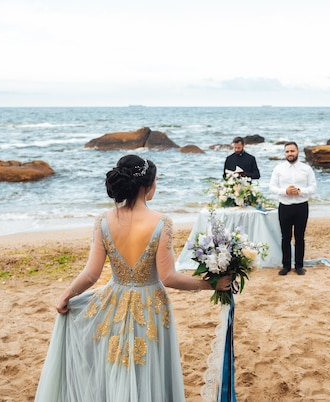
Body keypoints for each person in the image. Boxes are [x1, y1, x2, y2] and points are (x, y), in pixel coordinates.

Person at [35, 154, 231, 402]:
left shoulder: (103, 221)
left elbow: (91, 274)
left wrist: (66, 295)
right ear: (146, 186)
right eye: (156, 181)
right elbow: (169, 277)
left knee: (118, 367)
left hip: (113, 302)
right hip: (152, 306)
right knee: (148, 369)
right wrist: (208, 284)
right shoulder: (162, 223)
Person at [268, 142, 317, 276]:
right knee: (285, 237)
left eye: (292, 151)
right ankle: (286, 266)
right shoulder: (279, 168)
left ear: (297, 152)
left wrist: (300, 191)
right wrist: (285, 191)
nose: (290, 154)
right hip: (284, 206)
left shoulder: (306, 169)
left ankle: (299, 266)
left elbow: (313, 187)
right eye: (287, 151)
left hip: (301, 206)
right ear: (285, 153)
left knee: (300, 237)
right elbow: (271, 187)